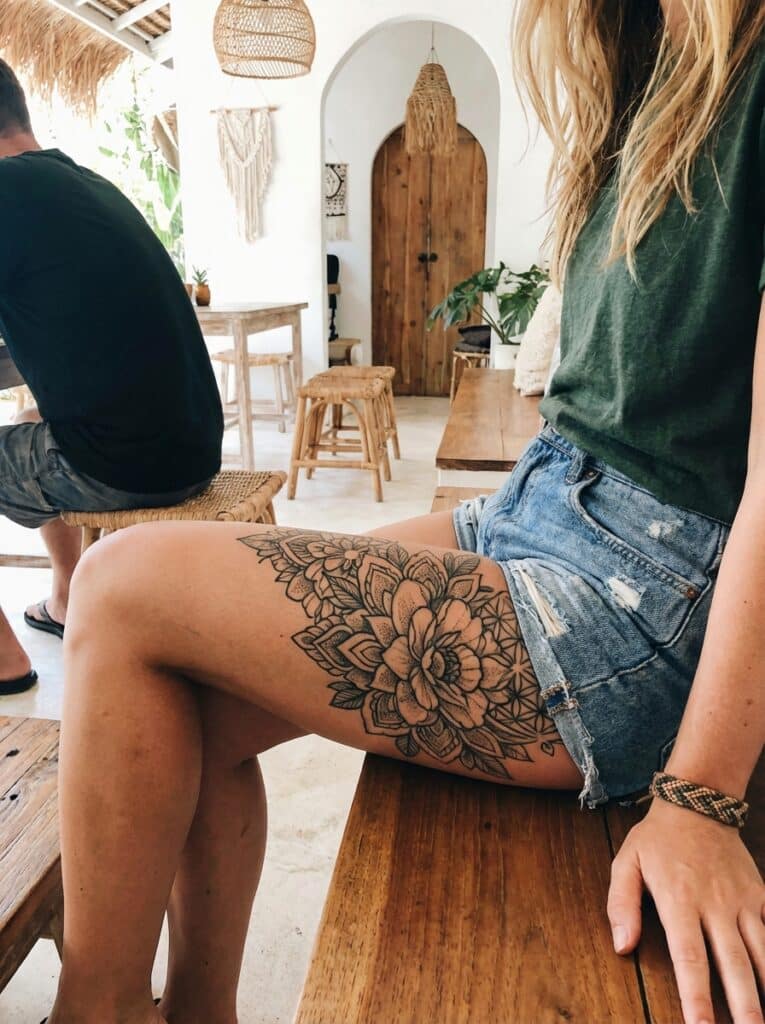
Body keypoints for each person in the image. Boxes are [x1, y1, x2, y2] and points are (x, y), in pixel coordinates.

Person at [46, 2, 765, 1022]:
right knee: (181, 685)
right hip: (537, 508)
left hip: (635, 604)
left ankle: (92, 1011)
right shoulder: (648, 62)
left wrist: (702, 795)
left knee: (120, 588)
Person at [0, 60, 223, 697]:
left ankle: (3, 660)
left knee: (45, 434)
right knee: (30, 421)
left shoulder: (7, 192)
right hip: (193, 450)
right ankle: (68, 598)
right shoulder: (86, 182)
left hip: (124, 468)